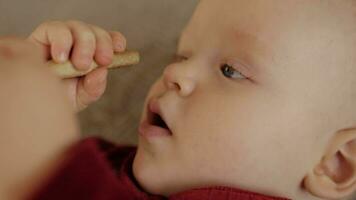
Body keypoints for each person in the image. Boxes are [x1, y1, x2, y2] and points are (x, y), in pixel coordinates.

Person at [1, 0, 356, 199]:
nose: (174, 74)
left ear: (335, 164)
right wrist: (35, 113)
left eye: (230, 70)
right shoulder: (109, 165)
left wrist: (43, 166)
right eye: (181, 56)